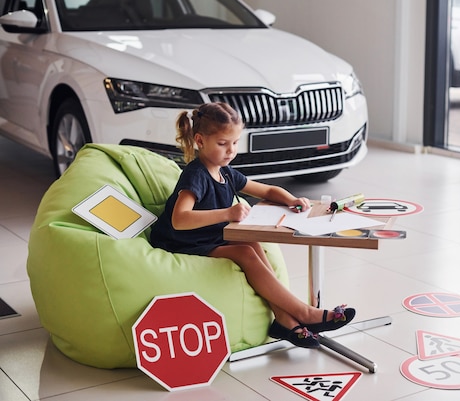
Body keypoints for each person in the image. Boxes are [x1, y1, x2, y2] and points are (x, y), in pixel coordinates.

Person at [150, 102, 355, 348]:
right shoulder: (196, 175)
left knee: (252, 242)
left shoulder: (224, 171)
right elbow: (179, 219)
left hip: (209, 235)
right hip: (182, 240)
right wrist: (228, 212)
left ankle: (284, 320)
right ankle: (306, 313)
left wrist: (290, 199)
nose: (230, 151)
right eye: (223, 144)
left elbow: (265, 189)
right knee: (244, 252)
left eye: (235, 143)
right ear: (200, 141)